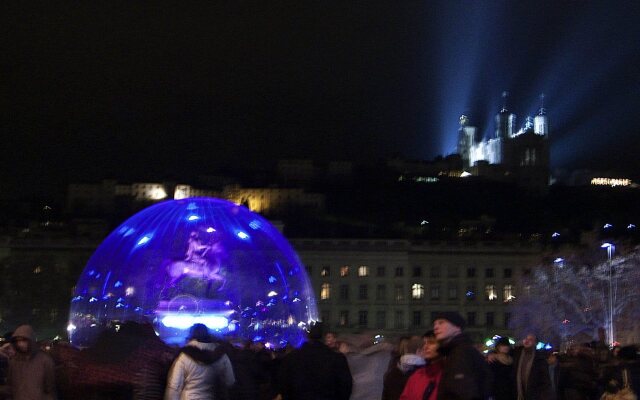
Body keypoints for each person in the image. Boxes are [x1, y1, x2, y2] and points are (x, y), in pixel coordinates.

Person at [278, 322, 352, 400]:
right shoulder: (337, 359)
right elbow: (346, 387)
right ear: (324, 337)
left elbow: (284, 386)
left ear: (306, 336)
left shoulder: (291, 358)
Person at [164, 324, 235, 400]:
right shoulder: (221, 355)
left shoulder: (184, 356)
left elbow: (175, 386)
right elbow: (230, 381)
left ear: (191, 336)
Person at [432, 311, 491, 400]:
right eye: (435, 324)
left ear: (457, 327)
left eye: (441, 322)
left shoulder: (461, 353)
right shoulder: (455, 351)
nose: (435, 327)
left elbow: (463, 392)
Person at [5, 325, 56, 400]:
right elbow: (10, 387)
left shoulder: (45, 361)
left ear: (31, 340)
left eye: (24, 340)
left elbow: (50, 389)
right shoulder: (14, 361)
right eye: (18, 341)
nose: (20, 344)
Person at [399, 330, 443, 400]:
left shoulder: (448, 375)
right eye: (424, 343)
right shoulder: (416, 375)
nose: (425, 347)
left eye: (431, 343)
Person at [513, 333, 552, 400]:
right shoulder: (516, 354)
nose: (527, 341)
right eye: (526, 338)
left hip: (534, 395)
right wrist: (492, 354)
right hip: (518, 393)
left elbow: (545, 380)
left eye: (530, 339)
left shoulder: (540, 358)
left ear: (535, 343)